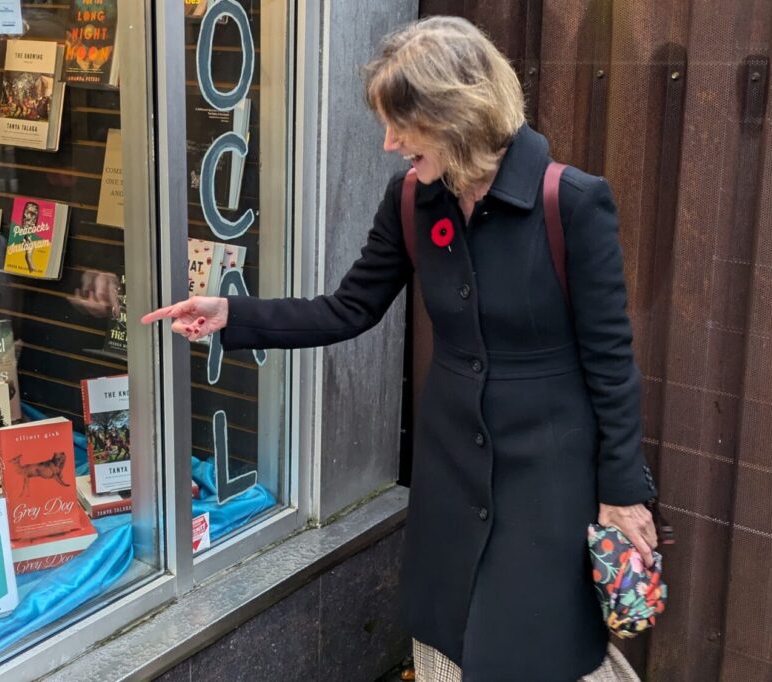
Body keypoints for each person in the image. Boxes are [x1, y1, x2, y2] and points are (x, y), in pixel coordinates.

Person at [142, 16, 658, 682]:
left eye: (401, 125)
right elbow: (349, 307)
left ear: (455, 115)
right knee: (447, 641)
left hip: (549, 481)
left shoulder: (573, 202)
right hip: (450, 472)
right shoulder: (414, 199)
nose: (387, 143)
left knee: (537, 650)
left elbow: (612, 363)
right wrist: (231, 314)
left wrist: (622, 494)